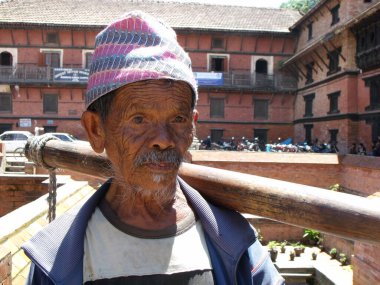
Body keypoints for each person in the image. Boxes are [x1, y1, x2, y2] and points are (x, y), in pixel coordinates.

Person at [22, 11, 283, 285]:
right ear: (97, 130)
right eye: (139, 120)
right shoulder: (55, 259)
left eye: (178, 119)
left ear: (193, 126)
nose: (163, 139)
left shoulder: (236, 244)